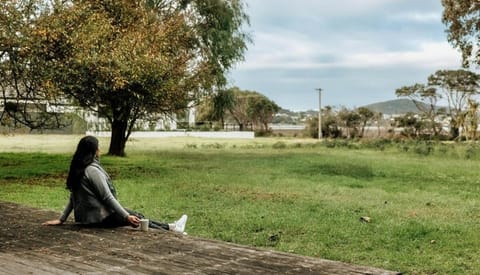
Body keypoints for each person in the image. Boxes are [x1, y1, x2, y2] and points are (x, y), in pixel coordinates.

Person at [43, 135, 187, 234]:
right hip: (100, 219)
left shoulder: (78, 168)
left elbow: (72, 197)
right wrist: (126, 217)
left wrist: (61, 219)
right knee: (137, 217)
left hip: (87, 219)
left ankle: (172, 227)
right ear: (93, 151)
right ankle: (172, 230)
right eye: (98, 148)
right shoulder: (92, 170)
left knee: (137, 215)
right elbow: (107, 197)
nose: (100, 150)